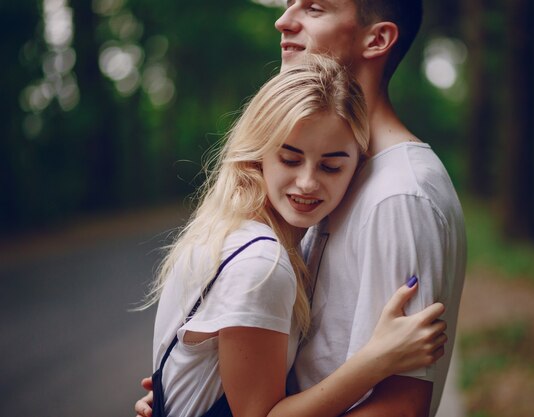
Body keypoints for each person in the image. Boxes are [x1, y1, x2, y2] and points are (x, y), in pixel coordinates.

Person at [137, 0, 467, 415]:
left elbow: (398, 408)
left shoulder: (399, 195)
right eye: (290, 159)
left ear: (378, 38)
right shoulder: (323, 192)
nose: (282, 20)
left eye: (313, 8)